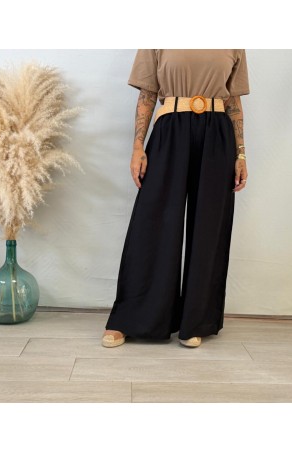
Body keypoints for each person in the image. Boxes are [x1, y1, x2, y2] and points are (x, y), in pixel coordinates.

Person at [102, 49, 250, 348]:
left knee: (209, 228)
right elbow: (147, 94)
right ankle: (133, 318)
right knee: (153, 222)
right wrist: (138, 147)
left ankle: (196, 321)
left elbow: (233, 101)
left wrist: (241, 154)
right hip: (170, 130)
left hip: (217, 134)